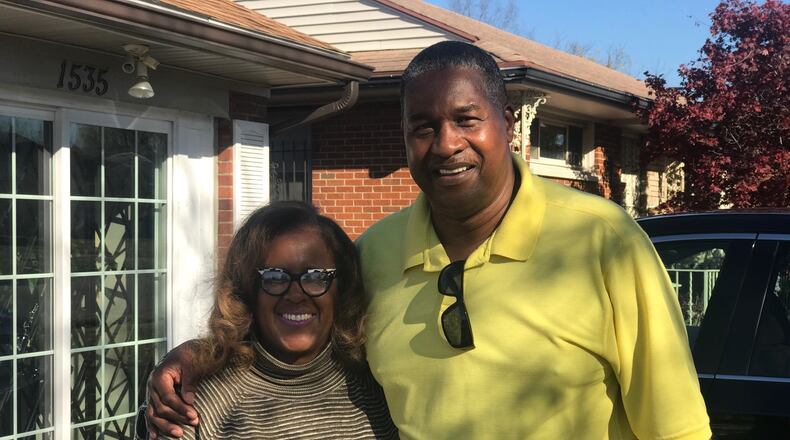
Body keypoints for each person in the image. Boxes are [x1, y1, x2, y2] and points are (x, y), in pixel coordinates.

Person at [146, 41, 712, 439]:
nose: (446, 144)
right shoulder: (374, 255)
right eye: (423, 127)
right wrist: (195, 358)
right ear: (405, 138)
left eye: (467, 119)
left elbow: (677, 425)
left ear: (507, 122)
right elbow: (299, 333)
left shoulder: (603, 241)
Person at [137, 201, 397, 439]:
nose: (296, 295)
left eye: (316, 276)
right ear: (248, 289)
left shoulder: (380, 386)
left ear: (342, 288)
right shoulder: (194, 404)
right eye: (275, 277)